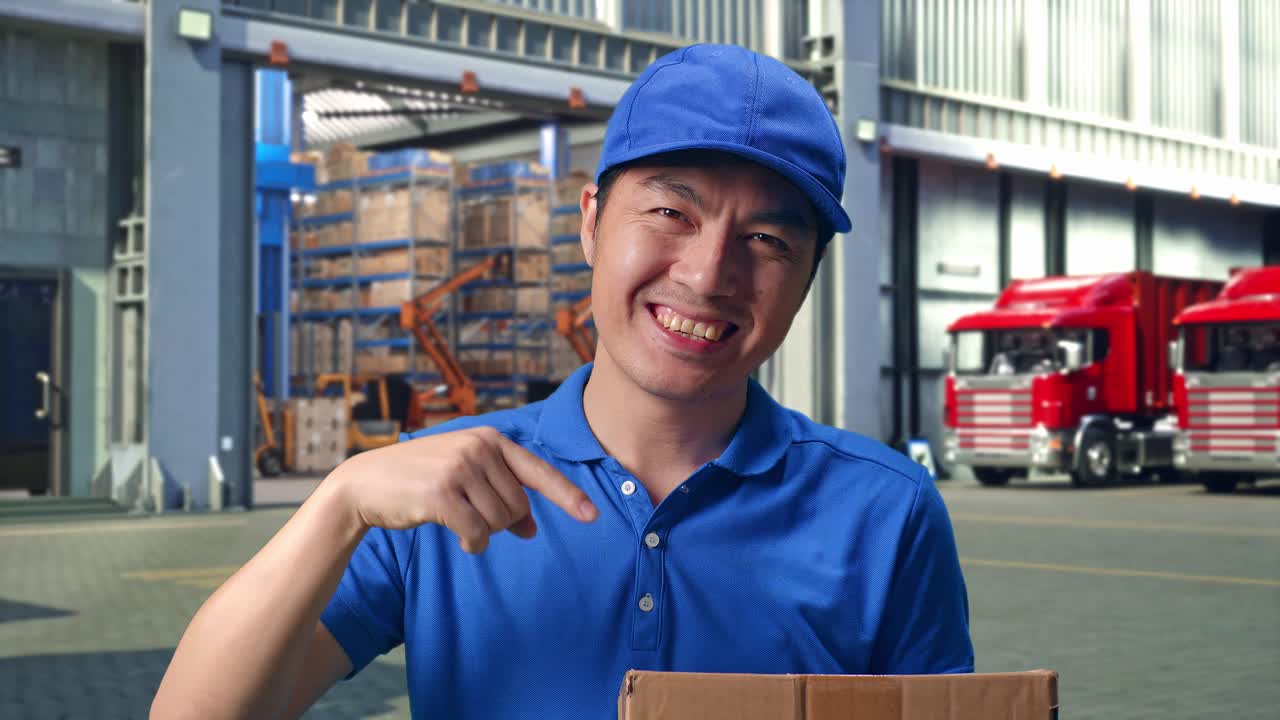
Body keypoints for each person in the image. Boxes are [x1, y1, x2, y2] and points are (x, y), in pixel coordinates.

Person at [151, 44, 973, 720]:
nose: (709, 272)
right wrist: (338, 503)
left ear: (804, 282)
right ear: (589, 221)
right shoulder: (445, 487)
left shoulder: (885, 513)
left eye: (767, 239)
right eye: (671, 213)